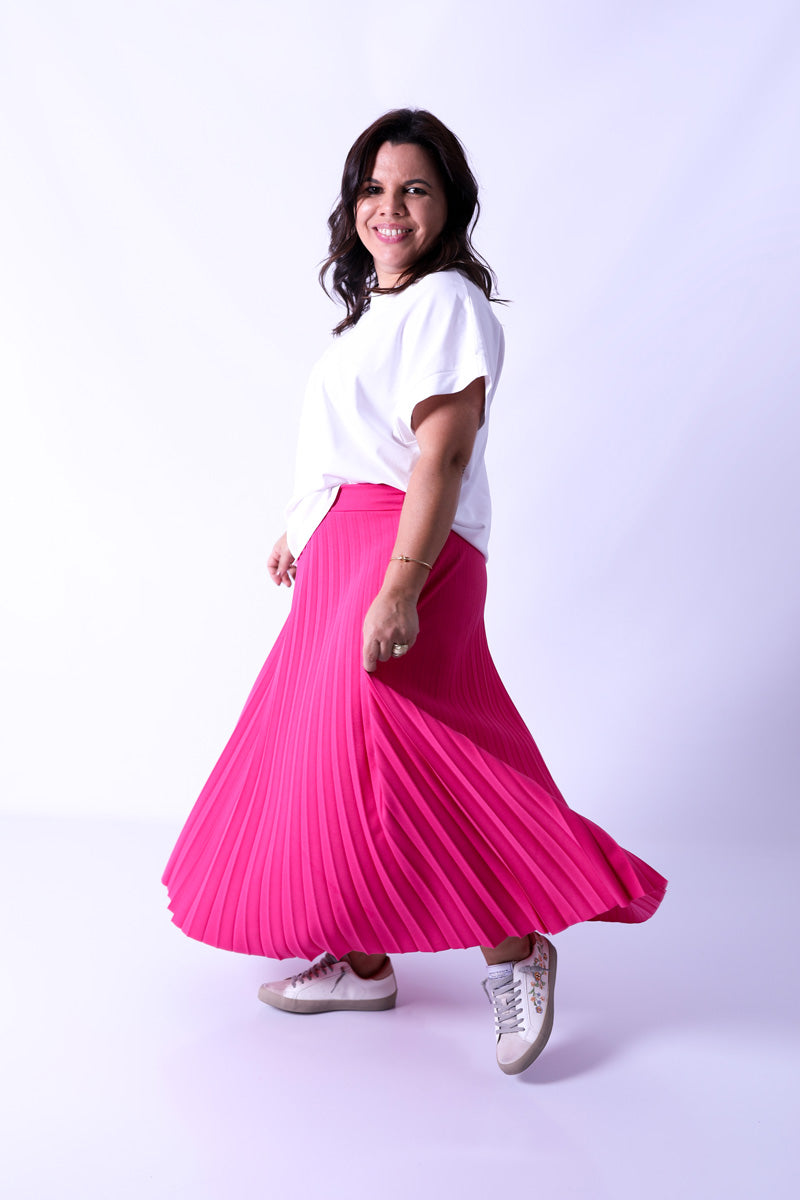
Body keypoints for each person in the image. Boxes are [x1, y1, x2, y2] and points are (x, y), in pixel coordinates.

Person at [162, 108, 667, 1076]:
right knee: (330, 755)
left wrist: (401, 585)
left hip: (405, 550)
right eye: (373, 189)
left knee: (418, 748)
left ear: (448, 206)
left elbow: (440, 456)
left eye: (414, 189)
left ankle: (516, 950)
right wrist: (303, 524)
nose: (389, 208)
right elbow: (365, 443)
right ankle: (360, 962)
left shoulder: (447, 301)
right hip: (347, 547)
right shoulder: (376, 316)